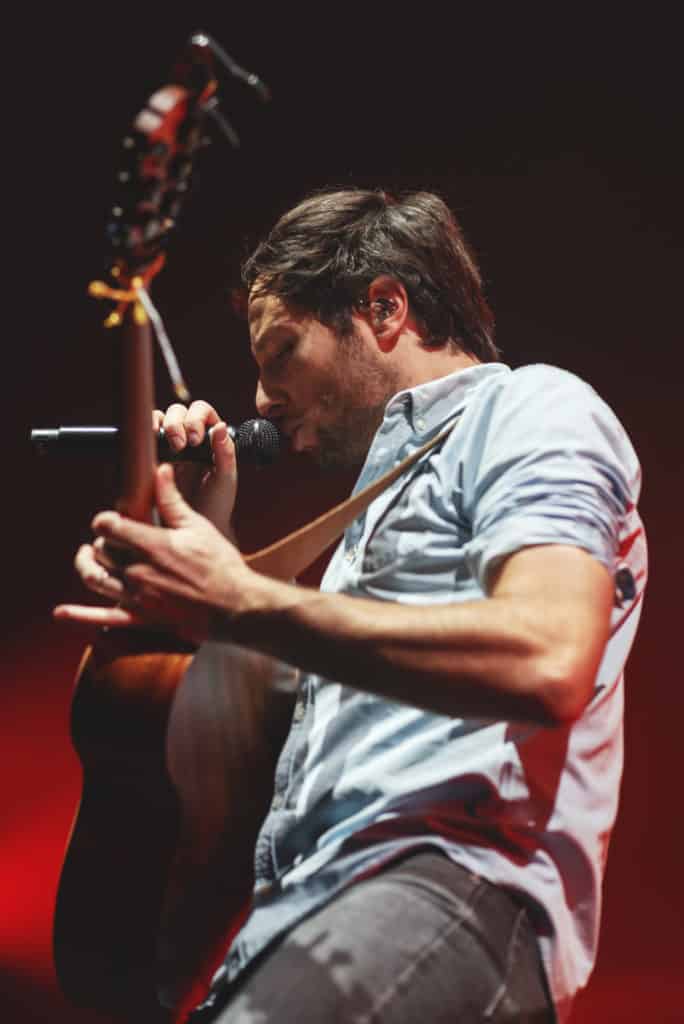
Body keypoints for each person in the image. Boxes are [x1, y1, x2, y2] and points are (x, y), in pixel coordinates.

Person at [55, 189, 647, 1023]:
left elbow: (547, 658)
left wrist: (236, 597)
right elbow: (241, 737)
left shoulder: (534, 409)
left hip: (450, 887)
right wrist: (200, 540)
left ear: (384, 308)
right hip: (301, 919)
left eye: (281, 351)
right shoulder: (366, 534)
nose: (261, 398)